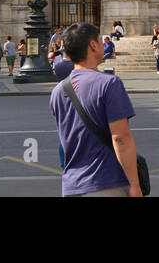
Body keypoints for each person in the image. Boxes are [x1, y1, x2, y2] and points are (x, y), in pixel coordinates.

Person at [49, 23, 143, 197]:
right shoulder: (109, 84)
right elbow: (120, 138)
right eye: (100, 41)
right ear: (93, 45)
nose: (102, 44)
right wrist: (135, 184)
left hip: (72, 186)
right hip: (106, 183)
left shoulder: (58, 91)